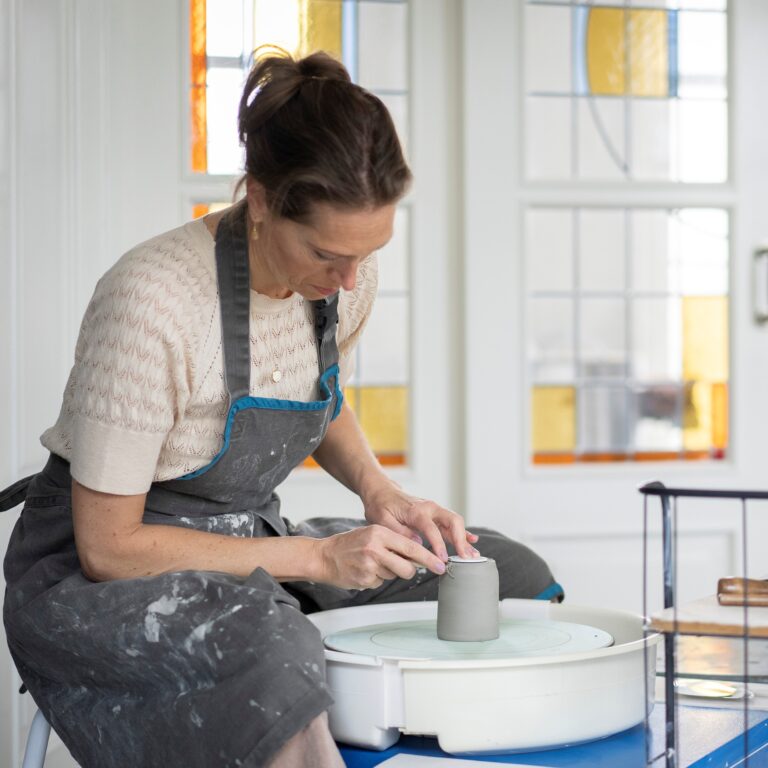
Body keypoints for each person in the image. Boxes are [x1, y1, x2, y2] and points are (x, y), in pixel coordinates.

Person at [0, 51, 562, 767]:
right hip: (97, 581)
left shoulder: (343, 276)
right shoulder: (153, 300)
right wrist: (320, 557)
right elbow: (108, 549)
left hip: (252, 540)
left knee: (505, 570)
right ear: (261, 201)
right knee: (272, 646)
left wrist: (380, 493)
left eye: (369, 251)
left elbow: (317, 396)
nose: (350, 279)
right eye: (328, 253)